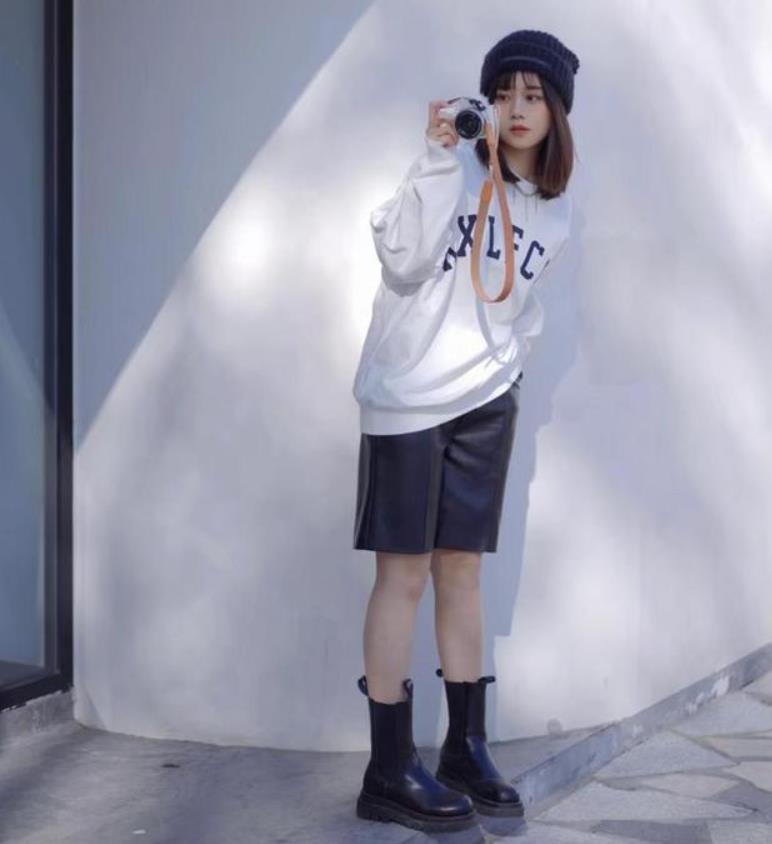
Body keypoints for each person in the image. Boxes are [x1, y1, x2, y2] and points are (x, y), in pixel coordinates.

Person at [351, 29, 580, 833]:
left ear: (556, 112)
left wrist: (508, 374)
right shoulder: (452, 167)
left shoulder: (554, 209)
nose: (517, 108)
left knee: (461, 574)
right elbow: (401, 259)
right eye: (504, 91)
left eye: (534, 95)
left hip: (486, 401)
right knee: (403, 577)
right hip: (409, 400)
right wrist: (437, 155)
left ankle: (463, 748)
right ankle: (387, 770)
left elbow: (519, 305)